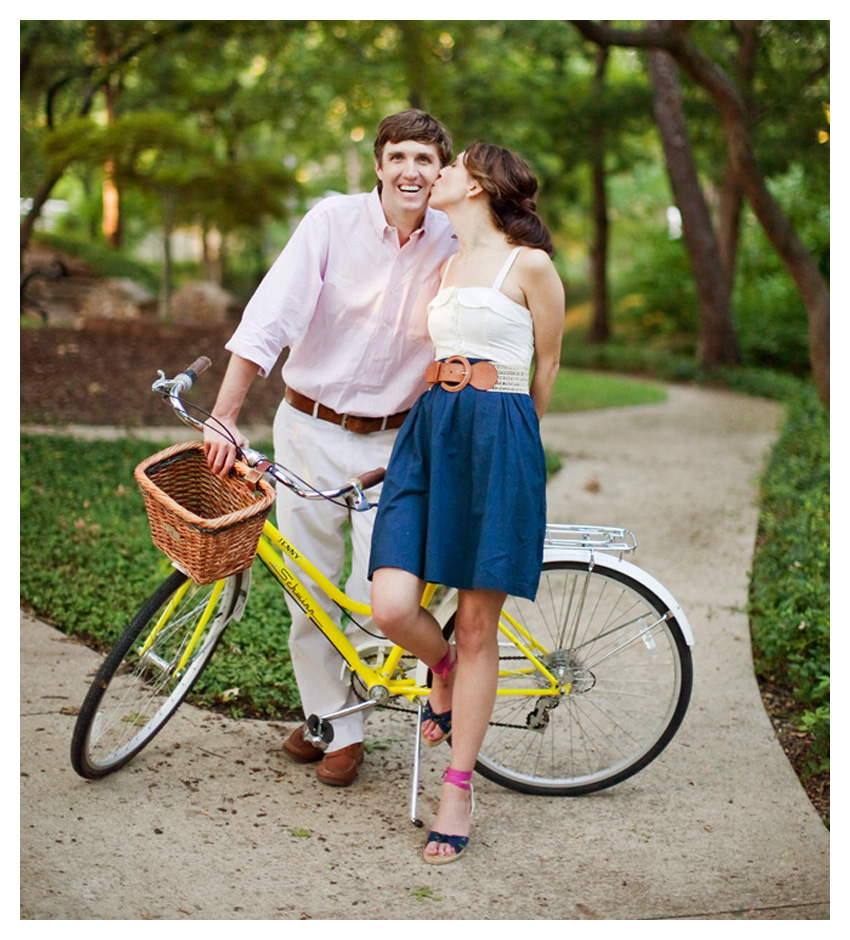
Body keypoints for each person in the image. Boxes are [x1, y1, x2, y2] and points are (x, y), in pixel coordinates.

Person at [204, 110, 457, 787]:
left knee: (378, 596)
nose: (410, 171)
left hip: (396, 444)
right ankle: (334, 725)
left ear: (442, 172)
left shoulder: (456, 240)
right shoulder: (330, 223)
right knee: (308, 592)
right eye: (398, 156)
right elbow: (270, 318)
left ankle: (338, 714)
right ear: (379, 164)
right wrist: (226, 414)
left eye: (425, 160)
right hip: (309, 430)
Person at [368, 141, 565, 863]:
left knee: (481, 626)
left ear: (477, 184)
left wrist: (515, 447)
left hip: (499, 437)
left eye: (449, 166)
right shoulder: (448, 265)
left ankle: (457, 787)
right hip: (431, 435)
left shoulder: (532, 267)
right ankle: (442, 669)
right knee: (390, 604)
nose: (437, 172)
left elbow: (547, 364)